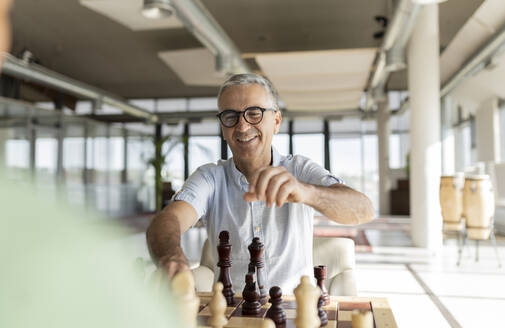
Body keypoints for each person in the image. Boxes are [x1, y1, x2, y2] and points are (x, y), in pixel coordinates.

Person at [147, 73, 375, 293]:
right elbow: (168, 220)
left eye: (254, 113)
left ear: (276, 121)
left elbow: (363, 210)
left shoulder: (300, 170)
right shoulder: (210, 177)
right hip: (232, 315)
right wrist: (171, 256)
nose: (242, 127)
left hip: (294, 313)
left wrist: (306, 193)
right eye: (230, 116)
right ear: (223, 128)